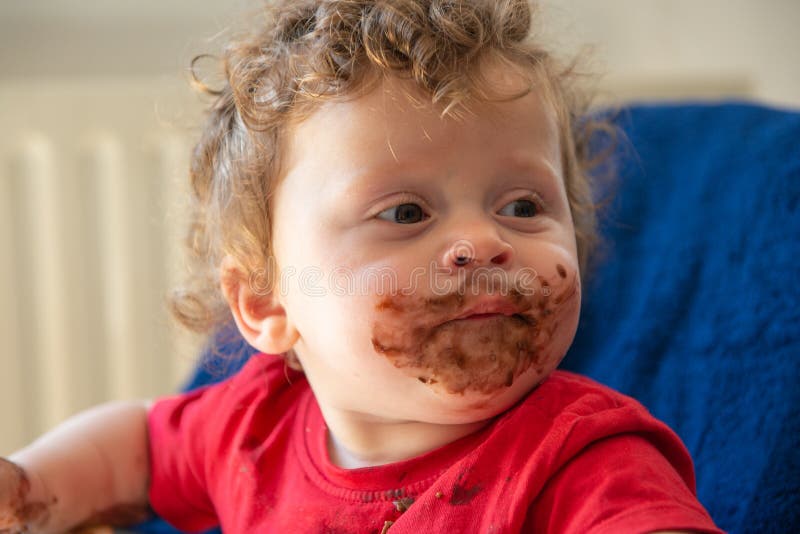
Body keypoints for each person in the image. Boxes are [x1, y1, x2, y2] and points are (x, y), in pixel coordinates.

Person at [0, 1, 724, 532]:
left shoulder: (582, 459)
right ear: (265, 303)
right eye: (406, 212)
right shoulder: (254, 428)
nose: (483, 241)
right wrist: (28, 485)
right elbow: (139, 450)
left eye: (523, 205)